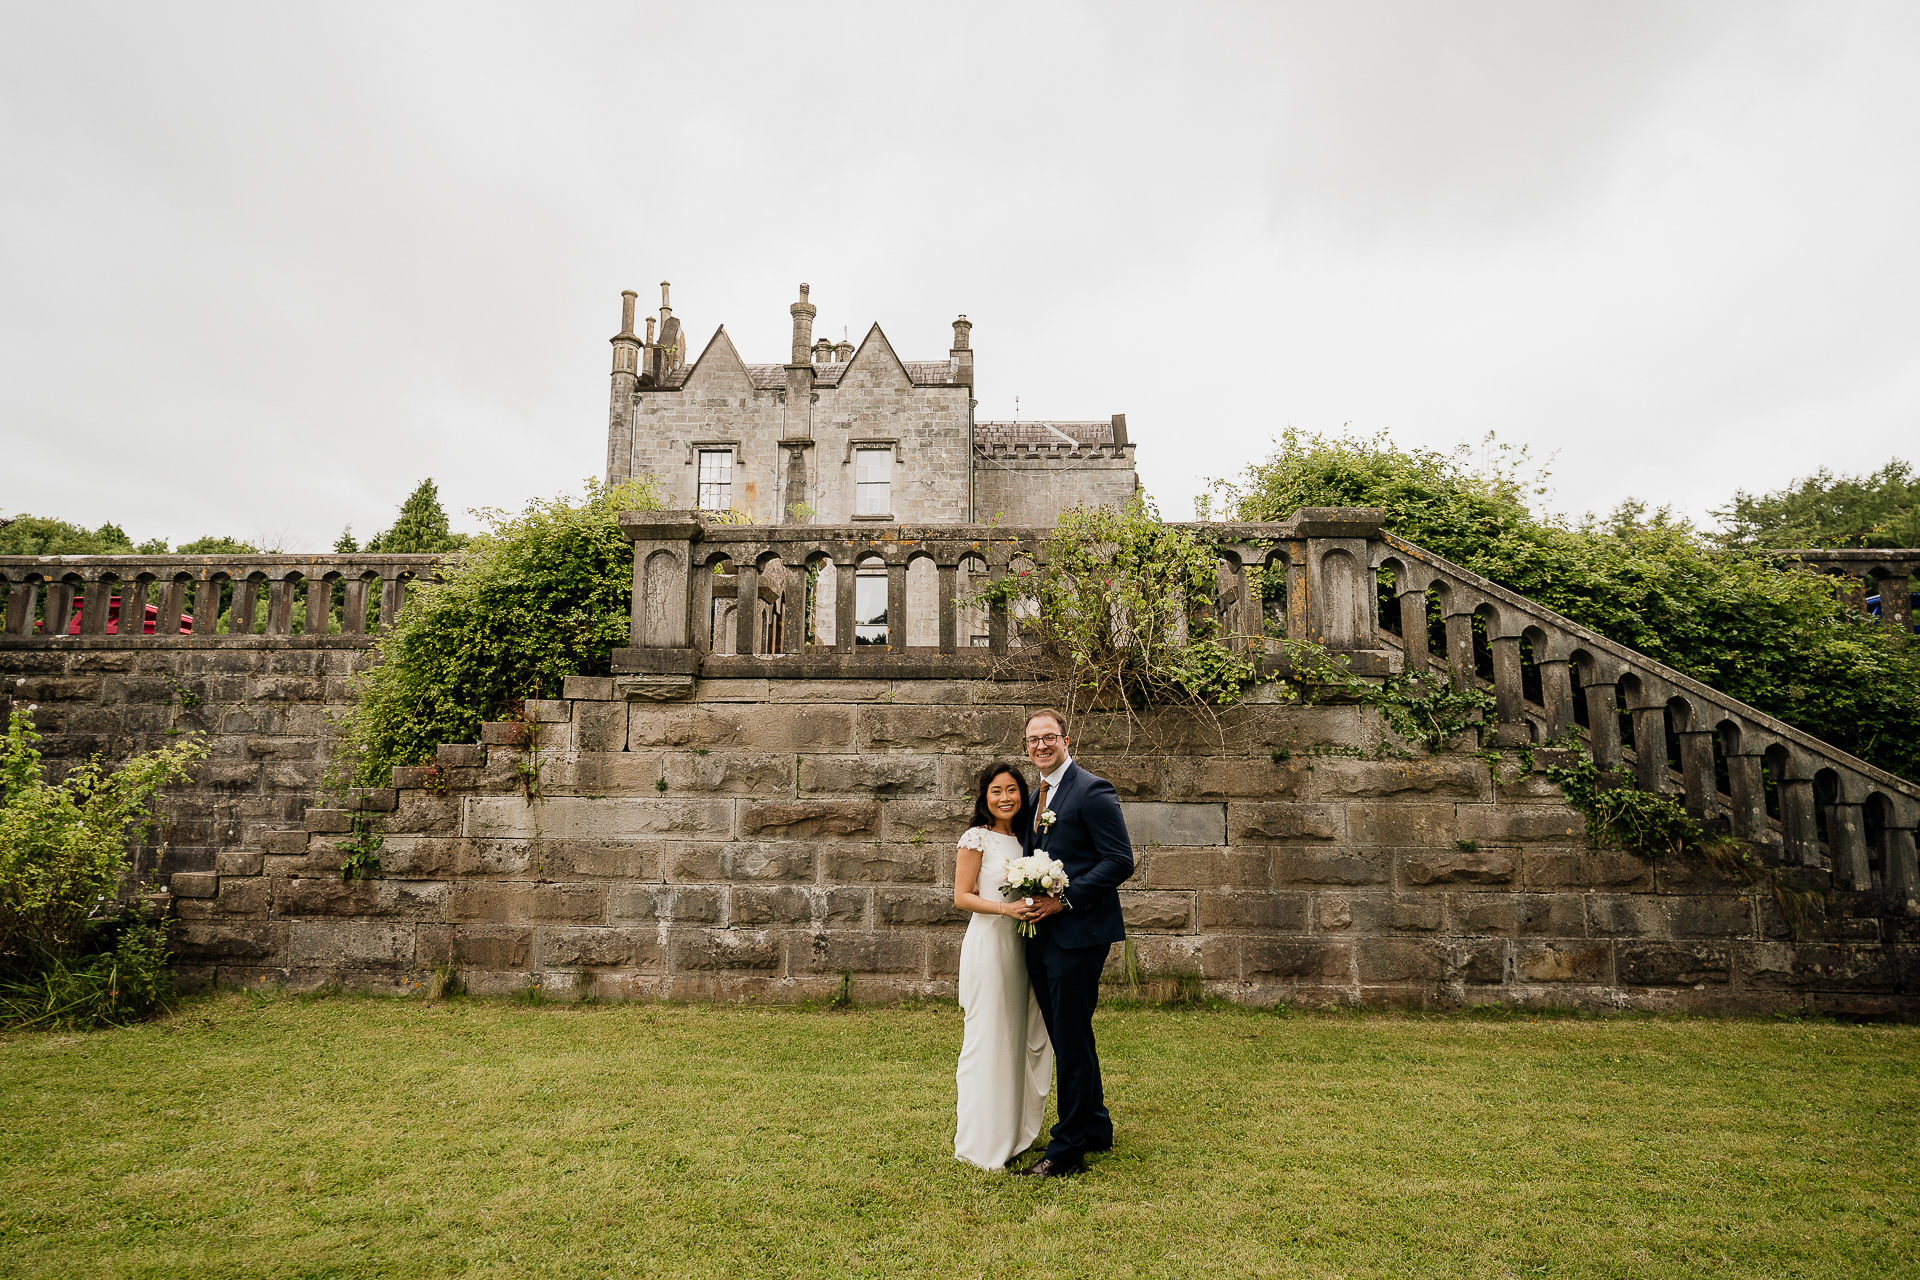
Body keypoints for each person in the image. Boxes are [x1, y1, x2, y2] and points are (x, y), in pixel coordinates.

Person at [1016, 708, 1134, 1178]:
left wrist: (1064, 900)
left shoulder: (1092, 790)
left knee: (1069, 1037)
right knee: (1073, 1036)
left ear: (1067, 740)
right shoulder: (1034, 796)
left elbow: (1120, 861)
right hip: (1042, 936)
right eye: (1032, 740)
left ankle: (1066, 1151)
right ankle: (1095, 1128)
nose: (1040, 746)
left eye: (1049, 738)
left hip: (1079, 935)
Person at [952, 760, 1055, 1171]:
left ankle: (1014, 1132)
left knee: (1019, 1036)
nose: (1005, 798)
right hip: (990, 945)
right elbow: (961, 896)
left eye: (1012, 789)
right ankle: (982, 1142)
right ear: (985, 796)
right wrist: (1004, 909)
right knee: (988, 1037)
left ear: (1022, 794)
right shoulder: (976, 838)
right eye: (996, 791)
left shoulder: (1029, 840)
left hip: (1022, 950)